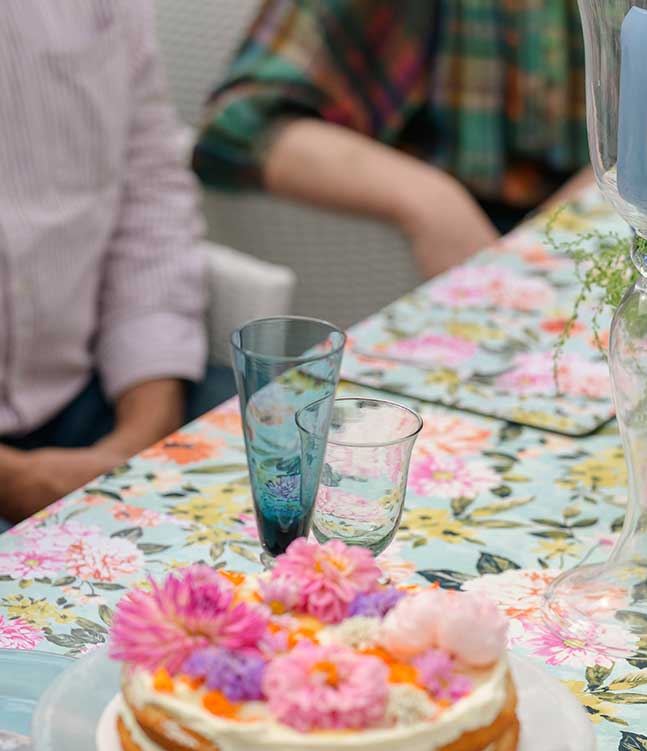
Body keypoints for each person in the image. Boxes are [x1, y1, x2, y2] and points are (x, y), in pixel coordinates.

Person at [0, 2, 228, 526]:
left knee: (307, 455)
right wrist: (17, 481)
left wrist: (138, 439)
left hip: (90, 391)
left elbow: (149, 198)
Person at [193, 0, 593, 280]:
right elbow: (237, 124)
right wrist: (434, 202)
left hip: (588, 231)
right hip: (449, 241)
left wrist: (569, 216)